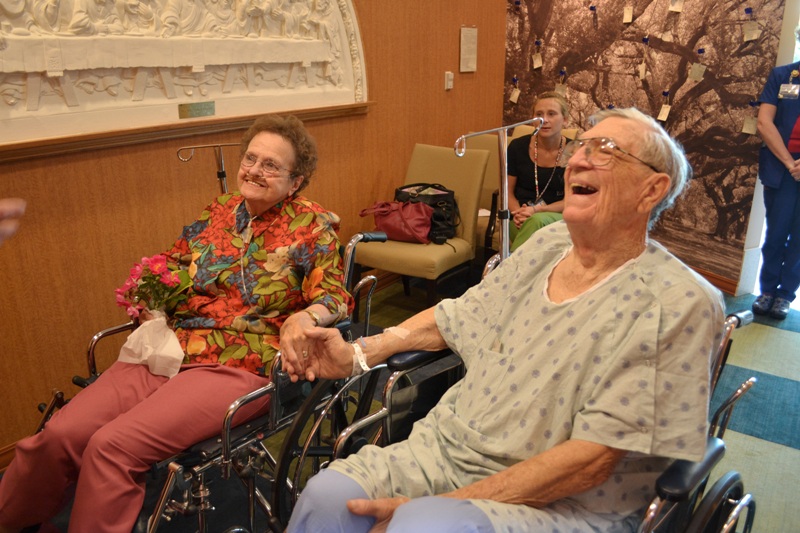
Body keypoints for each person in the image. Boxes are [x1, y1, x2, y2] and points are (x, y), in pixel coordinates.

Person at [283, 108, 725, 533]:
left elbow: (592, 461)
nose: (578, 160)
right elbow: (458, 316)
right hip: (446, 451)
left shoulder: (677, 302)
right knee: (327, 497)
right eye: (581, 147)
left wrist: (440, 505)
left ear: (651, 189)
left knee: (425, 525)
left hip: (565, 503)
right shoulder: (549, 243)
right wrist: (357, 354)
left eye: (606, 149)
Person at [0, 115, 352, 533]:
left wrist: (303, 317)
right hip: (171, 347)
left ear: (296, 181)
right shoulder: (220, 210)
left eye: (271, 165)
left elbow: (334, 297)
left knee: (112, 447)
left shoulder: (313, 226)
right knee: (61, 435)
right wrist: (149, 295)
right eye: (250, 158)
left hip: (240, 364)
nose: (254, 170)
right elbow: (172, 263)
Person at [752, 26, 800, 320]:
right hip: (782, 169)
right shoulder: (783, 76)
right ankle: (767, 290)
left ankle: (785, 295)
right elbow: (764, 122)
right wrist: (790, 163)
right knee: (776, 233)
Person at [506, 91, 570, 252]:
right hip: (520, 217)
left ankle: (511, 266)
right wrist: (518, 213)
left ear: (565, 120)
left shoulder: (575, 151)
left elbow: (572, 200)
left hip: (558, 218)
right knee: (530, 226)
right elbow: (507, 191)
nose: (544, 120)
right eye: (539, 114)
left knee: (535, 222)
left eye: (551, 114)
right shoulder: (517, 147)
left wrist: (536, 210)